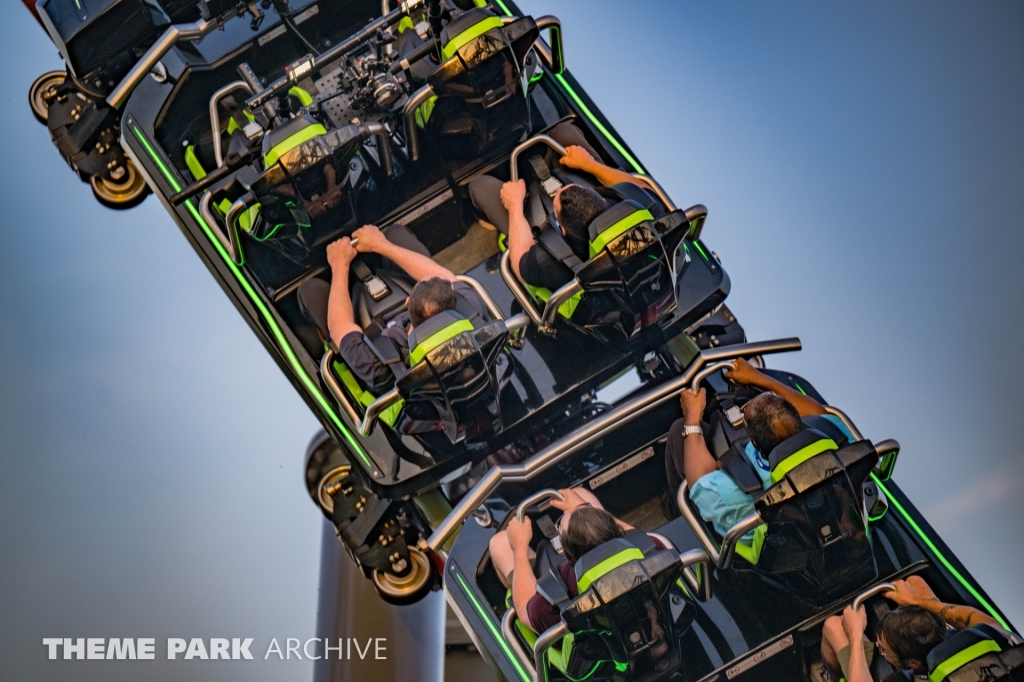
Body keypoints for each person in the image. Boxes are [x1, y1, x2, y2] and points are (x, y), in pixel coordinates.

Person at [667, 357, 856, 542]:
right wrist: (757, 377)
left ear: (754, 443)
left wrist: (692, 417)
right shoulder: (833, 434)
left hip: (761, 540)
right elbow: (819, 413)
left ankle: (678, 513)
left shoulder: (733, 493)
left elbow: (700, 483)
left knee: (678, 431)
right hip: (818, 517)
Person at [468, 121, 650, 292]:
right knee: (564, 132)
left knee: (478, 187)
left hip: (536, 228)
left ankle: (492, 216)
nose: (560, 186)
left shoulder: (551, 263)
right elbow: (644, 189)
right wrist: (590, 165)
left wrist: (515, 205)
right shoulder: (640, 206)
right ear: (601, 197)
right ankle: (562, 160)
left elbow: (521, 264)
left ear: (562, 229)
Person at [325, 223, 489, 394]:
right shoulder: (472, 313)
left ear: (408, 302)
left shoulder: (379, 365)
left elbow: (339, 327)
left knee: (309, 291)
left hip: (374, 337)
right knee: (396, 234)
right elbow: (442, 276)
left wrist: (339, 265)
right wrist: (381, 244)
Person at [489, 487, 667, 634]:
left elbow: (525, 611)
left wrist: (519, 548)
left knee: (499, 543)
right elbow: (634, 535)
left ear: (567, 554)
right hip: (644, 610)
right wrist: (584, 506)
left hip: (592, 642)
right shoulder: (652, 548)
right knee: (582, 493)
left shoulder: (559, 591)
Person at [820, 576, 1008, 682]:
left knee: (833, 626)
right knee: (916, 582)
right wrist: (915, 601)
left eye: (883, 649)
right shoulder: (992, 637)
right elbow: (982, 620)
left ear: (913, 664)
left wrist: (855, 634)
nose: (878, 644)